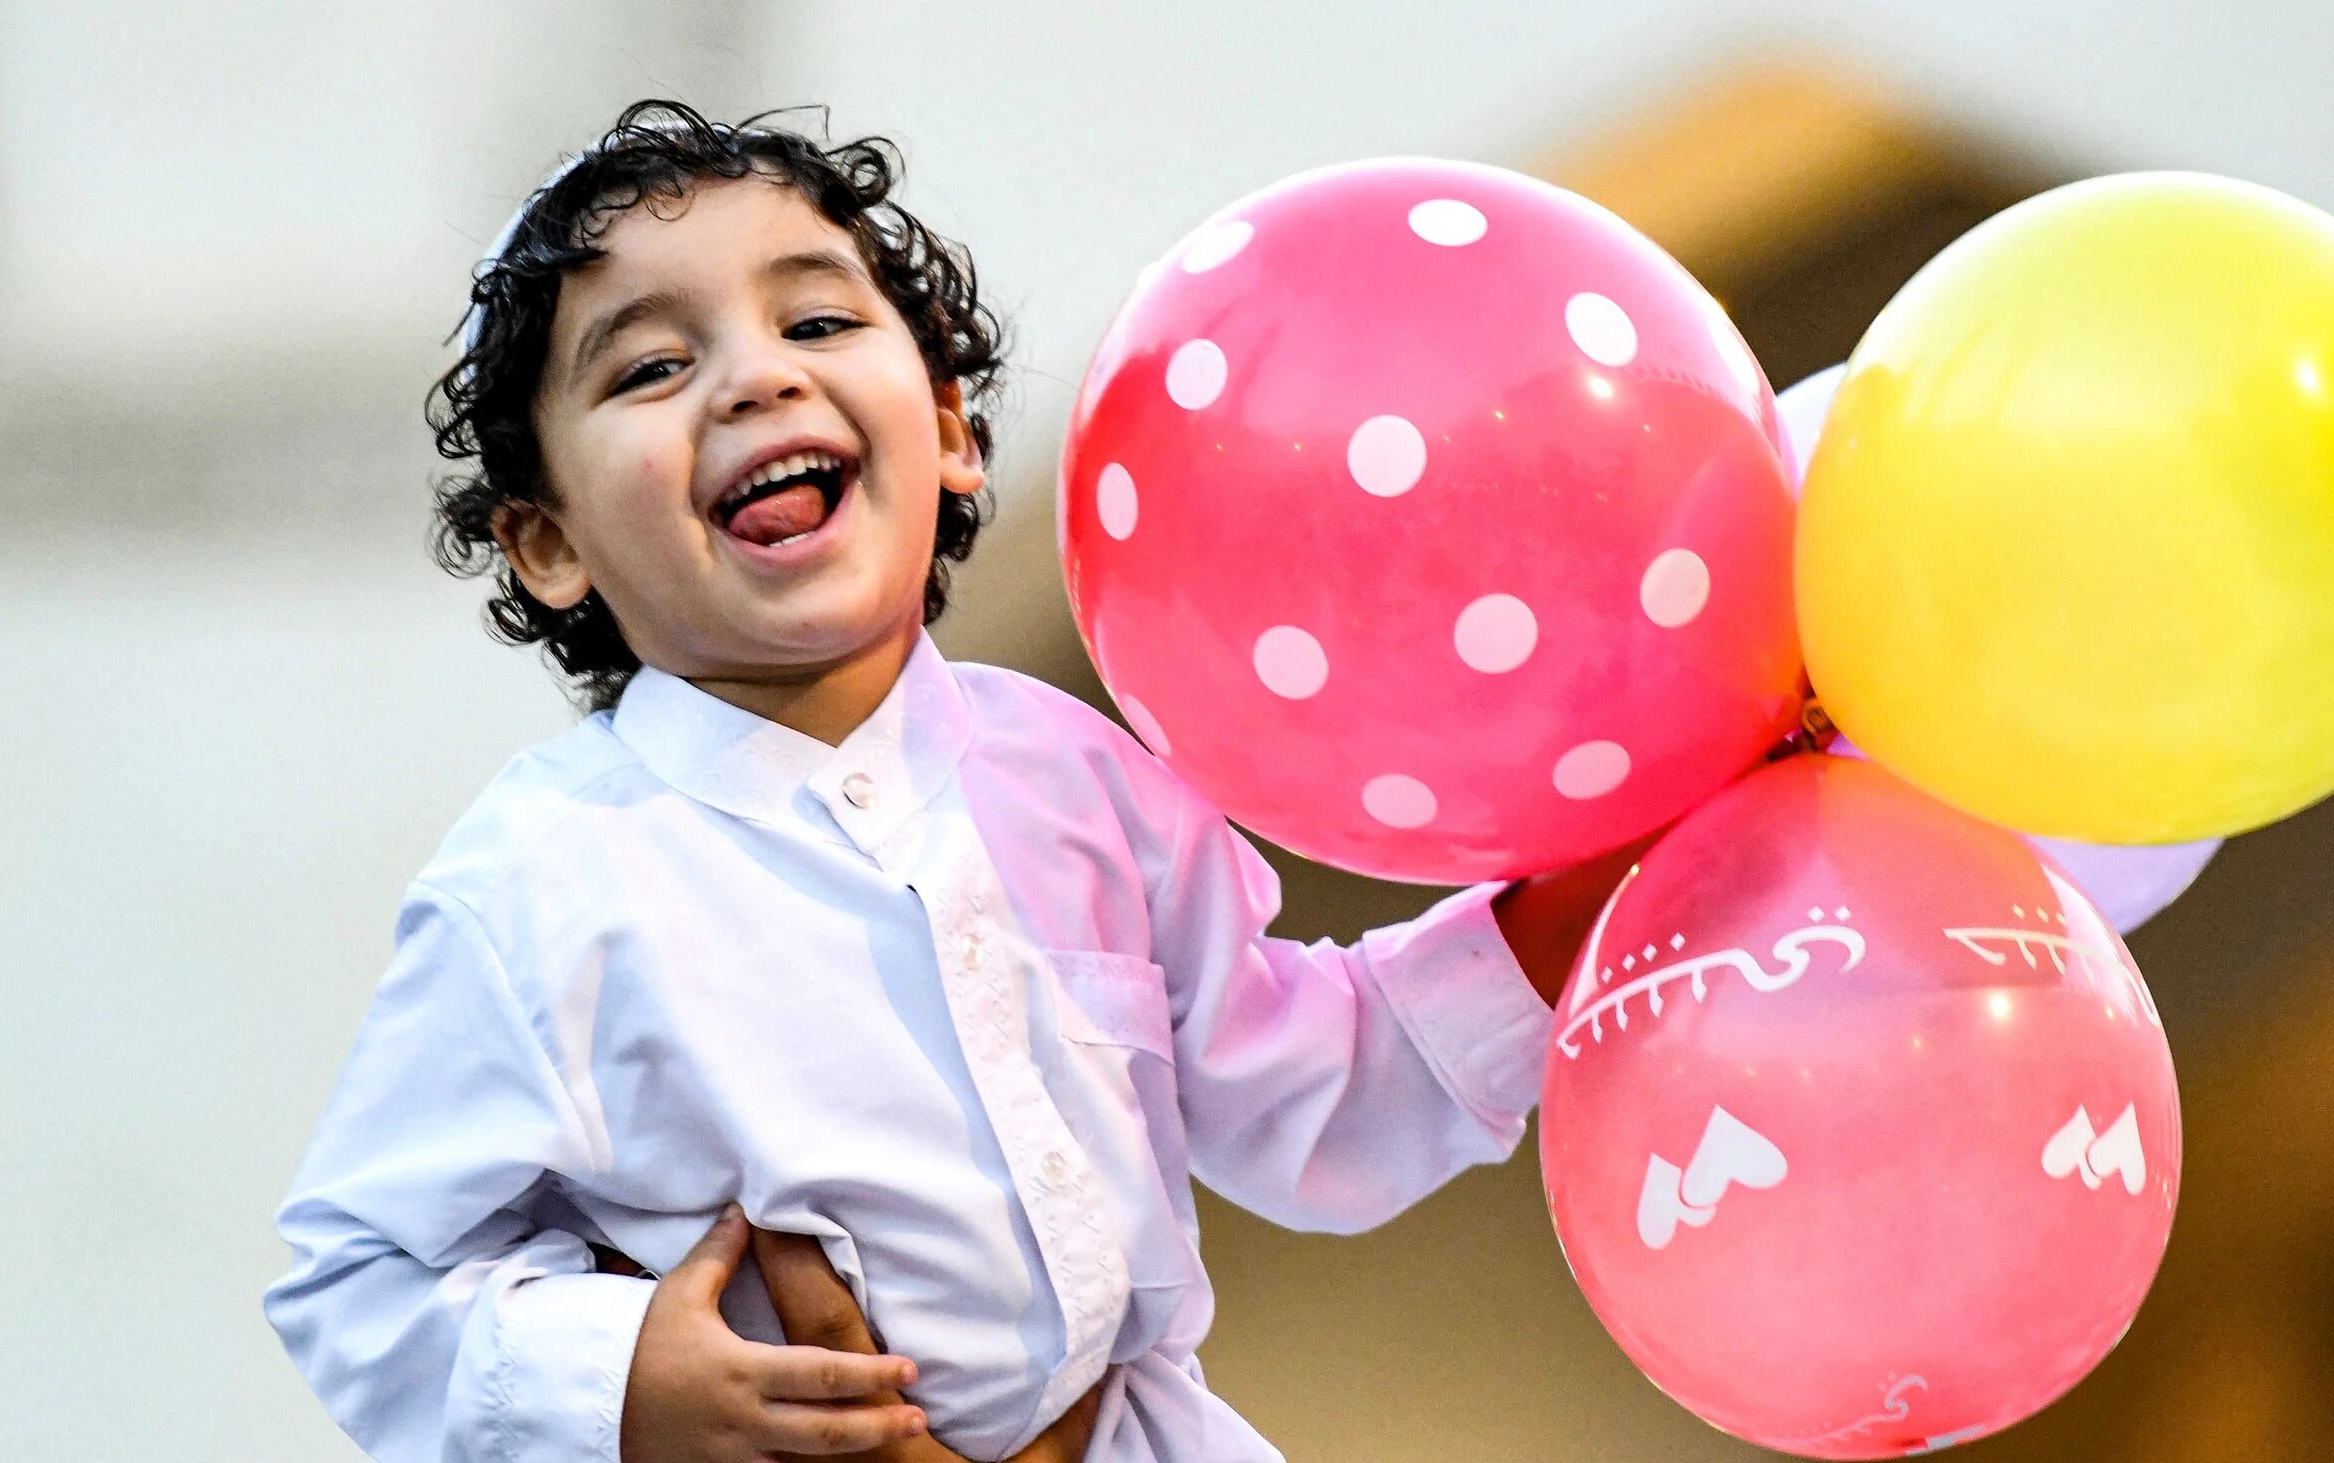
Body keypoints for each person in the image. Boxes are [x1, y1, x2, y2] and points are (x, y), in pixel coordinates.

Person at [265, 100, 1635, 1463]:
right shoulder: (540, 883)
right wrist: (629, 1385)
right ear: (548, 544)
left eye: (815, 321)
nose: (754, 379)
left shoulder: (1081, 774)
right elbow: (357, 1273)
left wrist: (1600, 894)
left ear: (948, 429)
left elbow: (1311, 1092)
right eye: (652, 367)